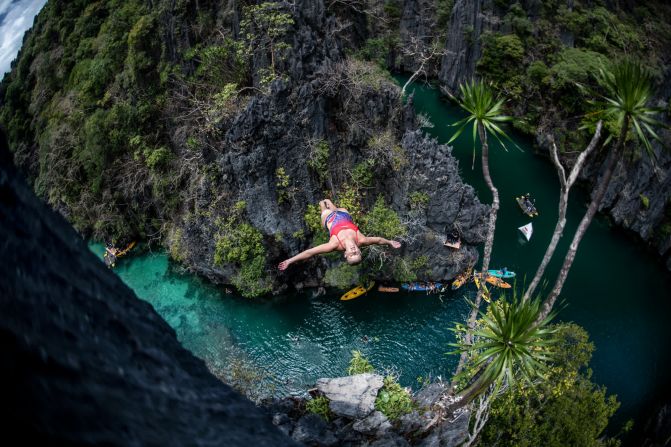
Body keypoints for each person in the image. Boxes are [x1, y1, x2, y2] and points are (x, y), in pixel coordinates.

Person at [278, 199, 401, 270]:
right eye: (356, 253)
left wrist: (290, 260)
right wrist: (390, 242)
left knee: (323, 206)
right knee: (330, 203)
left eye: (351, 254)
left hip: (329, 219)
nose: (353, 250)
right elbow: (379, 240)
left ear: (346, 254)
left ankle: (322, 203)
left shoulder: (334, 244)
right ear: (359, 250)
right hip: (344, 215)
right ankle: (328, 201)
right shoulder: (362, 240)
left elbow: (310, 252)